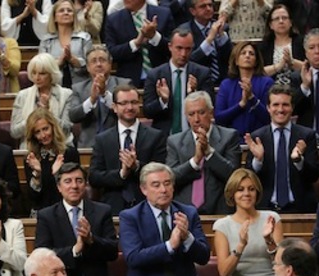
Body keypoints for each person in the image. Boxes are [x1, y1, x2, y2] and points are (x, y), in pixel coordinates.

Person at [119, 162, 210, 276]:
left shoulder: (188, 213)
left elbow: (204, 257)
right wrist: (170, 246)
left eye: (167, 184)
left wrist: (187, 238)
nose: (163, 190)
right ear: (144, 189)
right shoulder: (130, 217)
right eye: (156, 185)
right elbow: (133, 258)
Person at [35, 162, 119, 276]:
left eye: (79, 181)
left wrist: (91, 240)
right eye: (67, 181)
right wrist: (74, 250)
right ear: (59, 187)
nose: (74, 186)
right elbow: (43, 254)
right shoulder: (47, 216)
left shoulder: (102, 211)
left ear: (85, 185)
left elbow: (113, 251)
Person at [89, 84, 167, 214]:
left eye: (133, 102)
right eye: (124, 103)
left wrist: (136, 166)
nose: (129, 107)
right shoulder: (102, 140)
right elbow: (94, 177)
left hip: (148, 206)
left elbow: (162, 171)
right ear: (114, 107)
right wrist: (121, 174)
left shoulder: (155, 136)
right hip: (113, 207)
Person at [213, 169, 286, 276]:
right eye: (240, 189)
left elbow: (281, 262)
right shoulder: (222, 226)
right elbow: (224, 273)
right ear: (232, 194)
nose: (246, 194)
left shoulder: (272, 218)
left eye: (251, 189)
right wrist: (240, 245)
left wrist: (268, 240)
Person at [245, 84, 319, 214]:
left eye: (285, 104)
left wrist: (299, 161)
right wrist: (258, 160)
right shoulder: (257, 137)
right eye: (275, 105)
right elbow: (248, 178)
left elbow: (313, 176)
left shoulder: (307, 136)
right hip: (265, 209)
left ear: (292, 108)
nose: (280, 109)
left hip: (300, 209)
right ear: (268, 108)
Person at [166, 91, 240, 215]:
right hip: (184, 212)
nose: (196, 119)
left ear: (211, 112)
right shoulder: (175, 141)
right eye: (191, 114)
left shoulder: (229, 137)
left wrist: (209, 152)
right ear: (186, 116)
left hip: (220, 211)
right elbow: (170, 179)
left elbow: (234, 176)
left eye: (201, 112)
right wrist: (194, 161)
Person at [143, 27, 214, 135]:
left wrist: (195, 94)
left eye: (188, 49)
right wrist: (163, 101)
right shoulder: (155, 75)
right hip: (164, 137)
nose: (183, 54)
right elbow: (147, 111)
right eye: (179, 48)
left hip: (195, 135)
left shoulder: (202, 74)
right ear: (170, 47)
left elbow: (211, 108)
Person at [68, 45, 132, 148]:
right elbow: (73, 116)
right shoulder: (78, 88)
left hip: (117, 144)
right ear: (88, 67)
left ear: (110, 64)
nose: (98, 64)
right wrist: (92, 100)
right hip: (88, 146)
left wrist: (104, 94)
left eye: (102, 60)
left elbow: (127, 110)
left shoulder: (124, 84)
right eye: (94, 61)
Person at [103, 0, 175, 87]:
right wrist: (136, 43)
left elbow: (174, 49)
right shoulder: (113, 20)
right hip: (128, 81)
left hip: (161, 79)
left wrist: (154, 37)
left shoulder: (163, 14)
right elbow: (111, 53)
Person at [10, 52, 74, 149]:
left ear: (52, 74)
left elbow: (66, 129)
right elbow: (14, 132)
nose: (37, 78)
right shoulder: (22, 96)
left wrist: (48, 114)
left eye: (42, 73)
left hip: (61, 148)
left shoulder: (66, 95)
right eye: (34, 73)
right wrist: (34, 118)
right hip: (30, 149)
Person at [24, 108, 80, 211]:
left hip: (66, 209)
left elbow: (74, 191)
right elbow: (33, 198)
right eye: (37, 132)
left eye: (45, 129)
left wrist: (57, 174)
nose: (43, 135)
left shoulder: (69, 154)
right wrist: (37, 174)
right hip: (41, 211)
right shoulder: (32, 158)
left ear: (53, 127)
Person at [214, 40, 273, 138]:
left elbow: (269, 118)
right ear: (236, 60)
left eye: (251, 54)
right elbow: (219, 118)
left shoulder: (266, 83)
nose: (247, 56)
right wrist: (241, 105)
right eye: (243, 53)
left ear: (256, 61)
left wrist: (252, 99)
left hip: (260, 139)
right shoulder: (226, 85)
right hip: (232, 141)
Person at [39, 0, 92, 88]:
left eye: (69, 10)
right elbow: (41, 68)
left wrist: (73, 60)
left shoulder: (84, 38)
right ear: (54, 17)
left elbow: (91, 65)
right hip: (54, 88)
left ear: (74, 16)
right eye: (61, 10)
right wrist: (59, 62)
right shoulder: (46, 41)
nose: (66, 13)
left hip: (81, 88)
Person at [181, 0, 232, 84]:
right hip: (198, 82)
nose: (208, 9)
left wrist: (222, 36)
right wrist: (209, 39)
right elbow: (189, 59)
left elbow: (231, 57)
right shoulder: (185, 31)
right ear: (192, 11)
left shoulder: (223, 27)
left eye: (210, 5)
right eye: (203, 6)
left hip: (224, 81)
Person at [260, 3, 305, 86]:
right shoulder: (265, 46)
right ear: (271, 25)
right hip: (272, 89)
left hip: (297, 87)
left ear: (291, 22)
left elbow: (310, 67)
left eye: (284, 18)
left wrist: (291, 62)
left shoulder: (301, 42)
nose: (281, 21)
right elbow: (259, 72)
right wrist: (279, 66)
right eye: (277, 19)